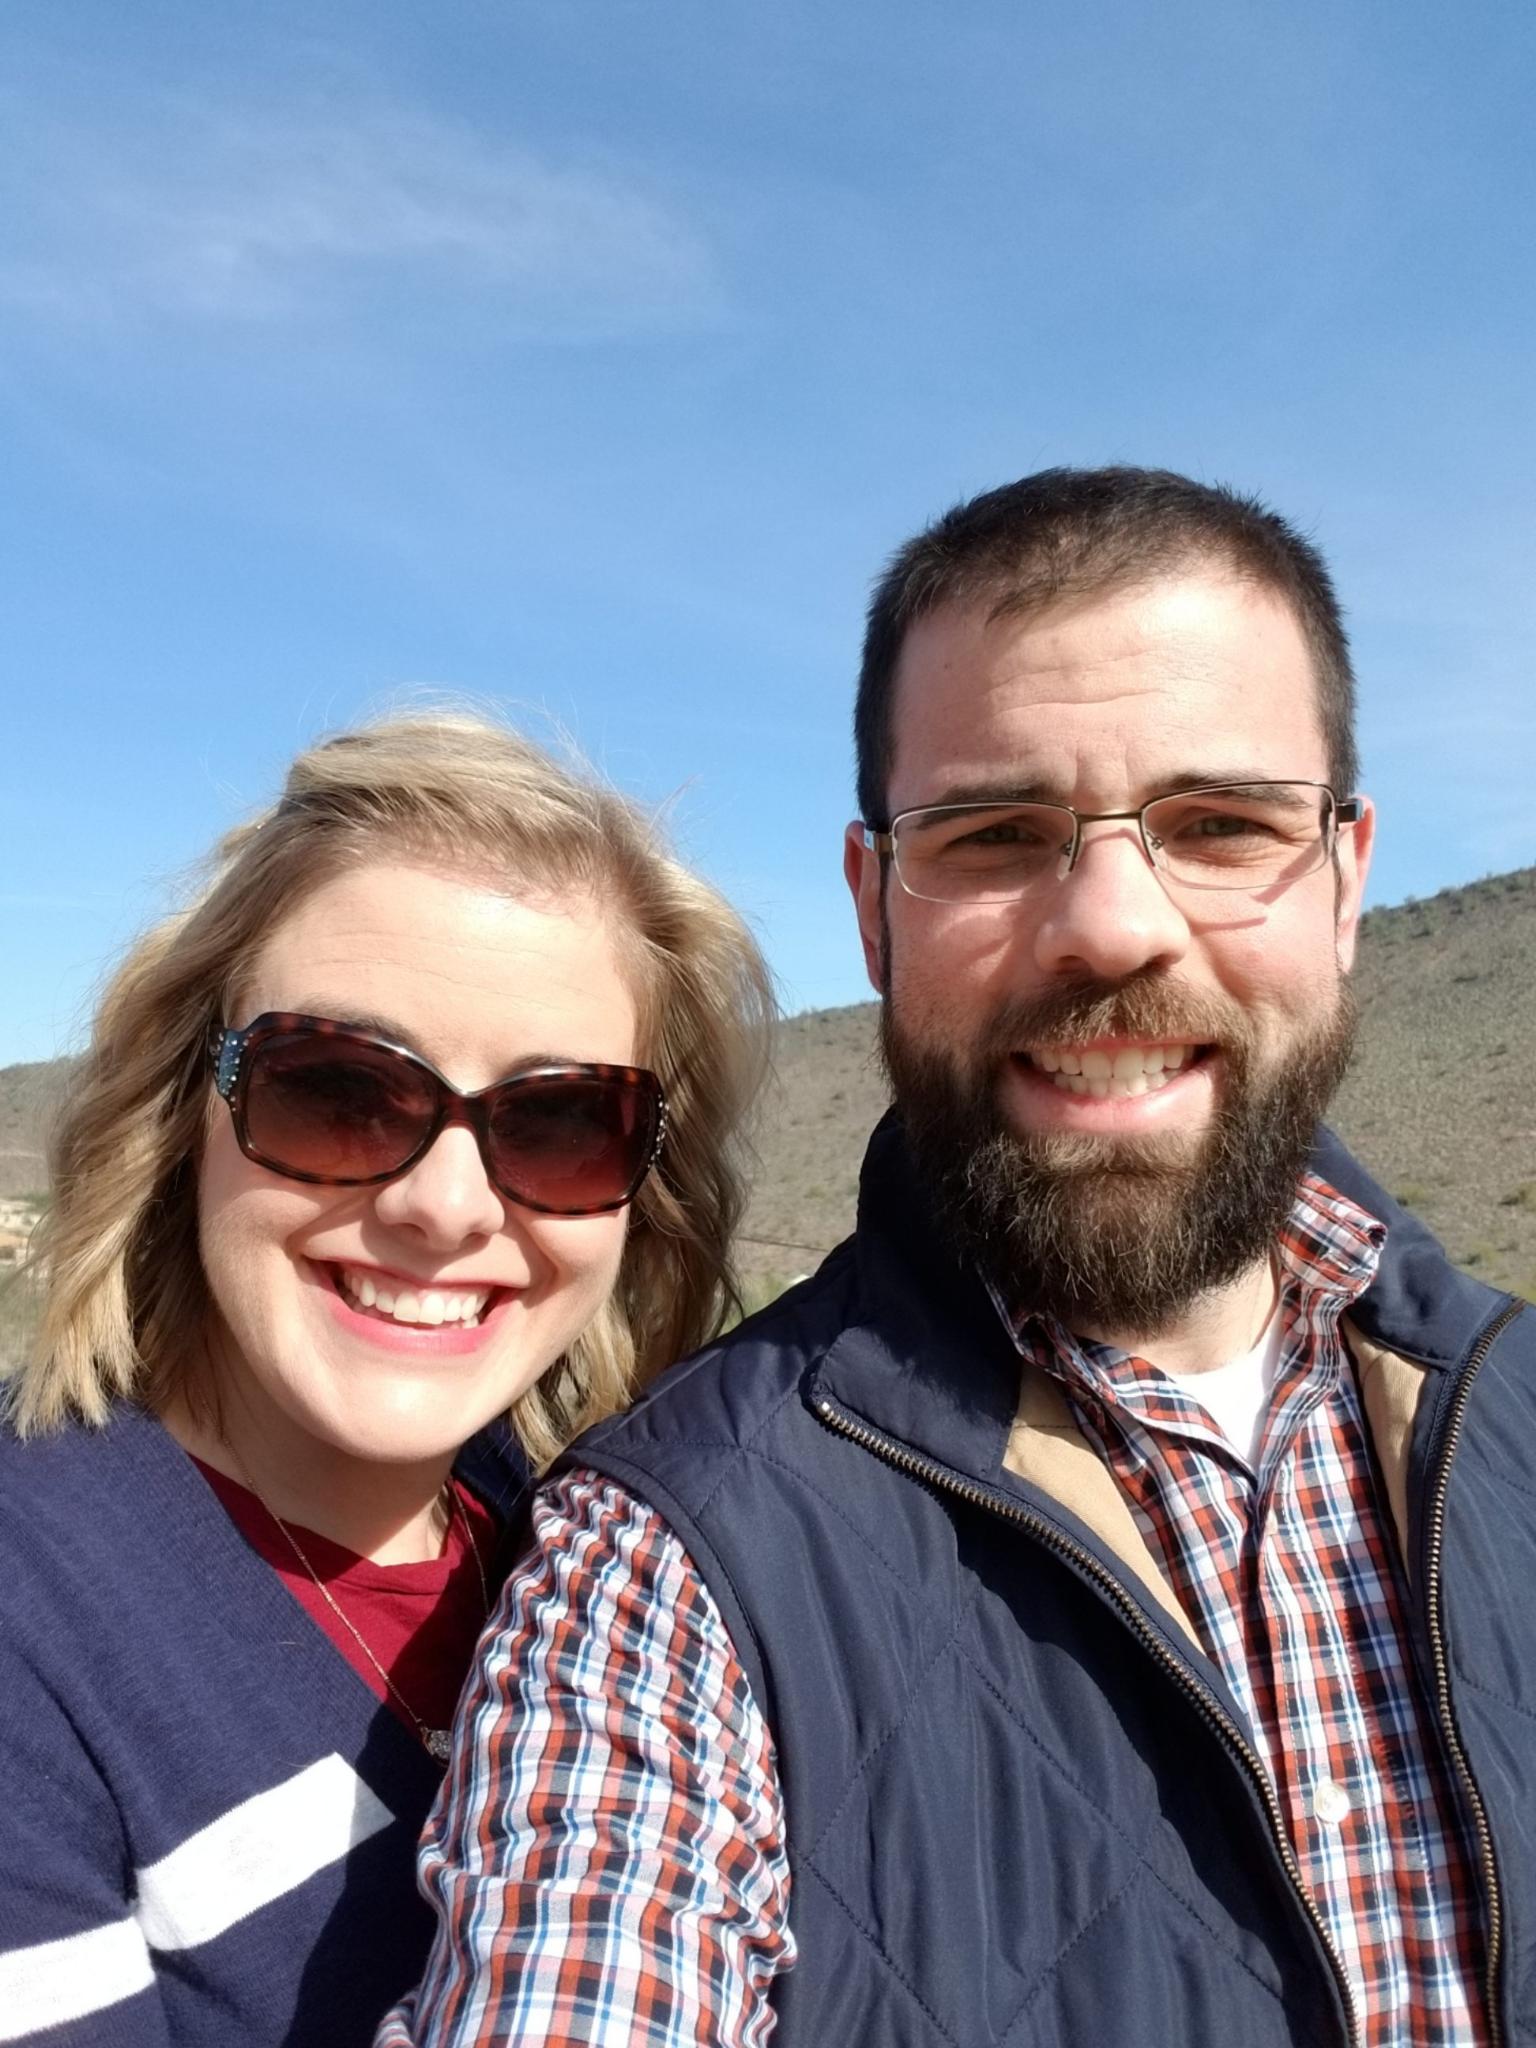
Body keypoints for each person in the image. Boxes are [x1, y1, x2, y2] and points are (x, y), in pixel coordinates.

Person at [384, 470, 1535, 2048]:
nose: (1112, 925)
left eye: (1221, 826)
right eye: (997, 834)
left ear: (1346, 877)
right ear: (873, 913)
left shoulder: (1515, 1412)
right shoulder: (663, 1571)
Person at [0, 711, 772, 2047]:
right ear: (190, 1103)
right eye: (338, 1091)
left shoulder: (588, 1539)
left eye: (561, 1122)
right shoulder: (37, 1615)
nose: (443, 1209)